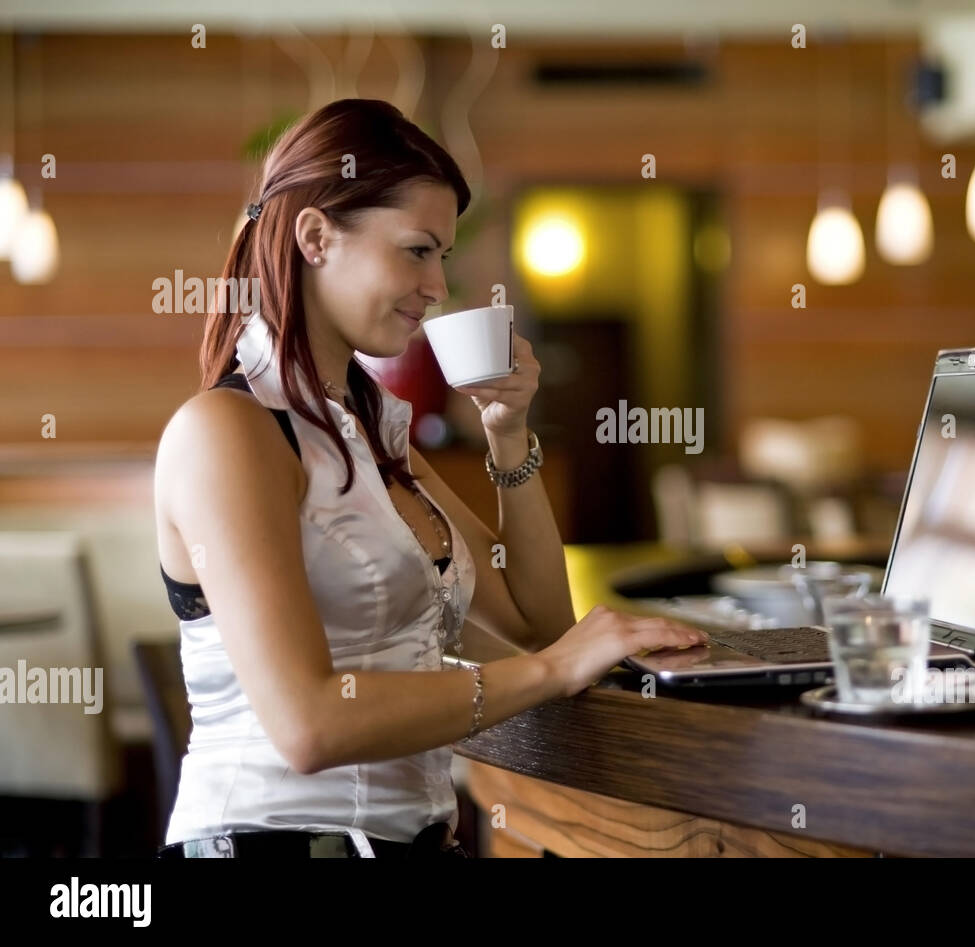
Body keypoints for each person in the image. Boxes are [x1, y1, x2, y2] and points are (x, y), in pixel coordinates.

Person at [153, 99, 706, 859]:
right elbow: (309, 725)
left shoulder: (371, 434)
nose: (438, 286)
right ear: (315, 237)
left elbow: (536, 623)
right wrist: (550, 672)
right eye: (417, 251)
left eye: (441, 256)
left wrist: (508, 436)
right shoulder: (227, 431)